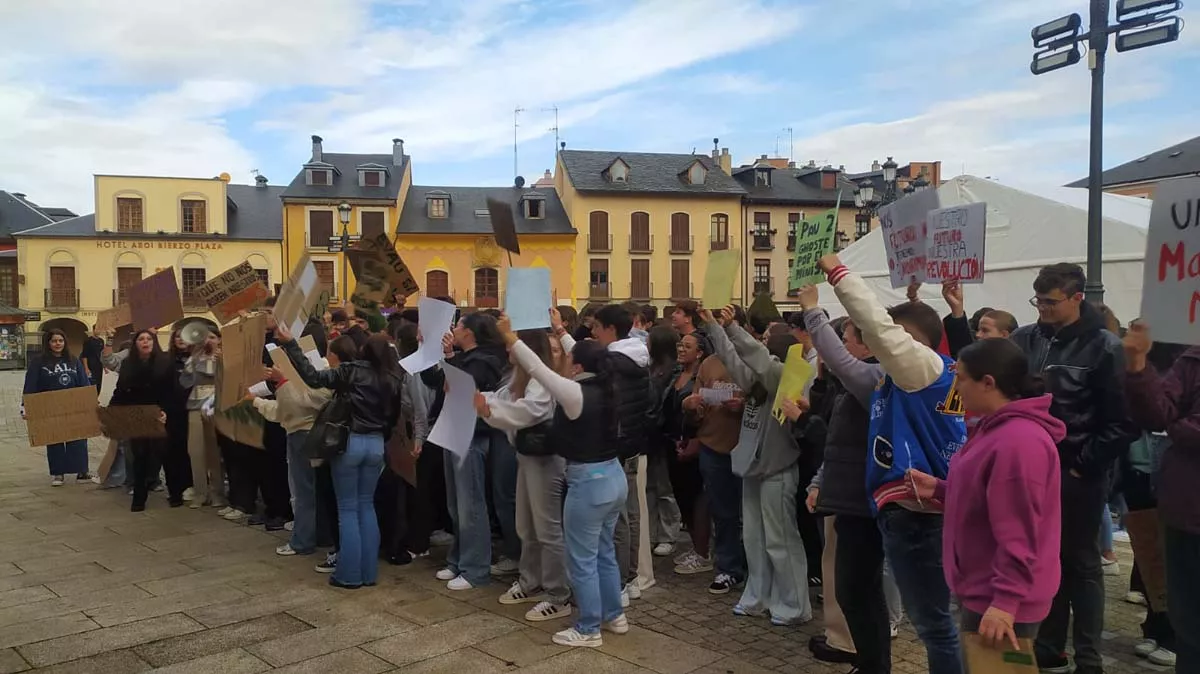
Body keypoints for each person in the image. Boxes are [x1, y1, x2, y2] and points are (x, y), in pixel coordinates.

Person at [818, 253, 967, 674]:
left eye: (894, 338)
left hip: (920, 513)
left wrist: (839, 274)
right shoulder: (920, 373)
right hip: (904, 508)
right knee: (927, 619)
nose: (880, 344)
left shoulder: (921, 369)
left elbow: (879, 326)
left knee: (935, 626)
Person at [1010, 264, 1136, 674]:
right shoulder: (1024, 339)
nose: (1042, 308)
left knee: (1080, 564)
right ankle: (1049, 646)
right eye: (1037, 300)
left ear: (1077, 298)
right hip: (1030, 468)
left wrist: (1082, 466)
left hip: (1075, 472)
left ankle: (1089, 656)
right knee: (1043, 560)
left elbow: (1122, 421)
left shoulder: (1104, 346)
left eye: (1050, 301)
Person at [907, 338, 1065, 651]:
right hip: (985, 589)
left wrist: (1005, 602)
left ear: (988, 383)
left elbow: (1019, 531)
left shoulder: (1018, 442)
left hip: (1002, 600)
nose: (956, 388)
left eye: (962, 379)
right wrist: (940, 489)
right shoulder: (994, 429)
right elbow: (991, 496)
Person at [501, 314, 629, 648]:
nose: (566, 359)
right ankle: (615, 615)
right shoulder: (608, 386)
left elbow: (539, 370)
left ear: (578, 366)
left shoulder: (576, 394)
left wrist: (510, 337)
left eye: (571, 357)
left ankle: (588, 628)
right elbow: (588, 355)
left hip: (589, 484)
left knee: (582, 560)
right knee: (603, 554)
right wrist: (560, 330)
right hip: (614, 478)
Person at [704, 305, 814, 626]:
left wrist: (735, 327)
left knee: (781, 540)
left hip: (778, 468)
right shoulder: (758, 380)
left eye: (767, 339)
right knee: (754, 538)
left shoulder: (784, 376)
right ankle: (758, 597)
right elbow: (732, 359)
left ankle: (794, 606)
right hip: (751, 466)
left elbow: (760, 361)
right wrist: (715, 327)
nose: (762, 342)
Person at [274, 323, 404, 590]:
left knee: (347, 509)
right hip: (376, 444)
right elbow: (393, 417)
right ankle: (369, 573)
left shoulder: (350, 371)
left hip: (350, 442)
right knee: (367, 507)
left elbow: (312, 376)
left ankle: (349, 574)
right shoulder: (393, 378)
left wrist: (290, 343)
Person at [557, 304, 653, 601]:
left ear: (610, 329)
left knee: (618, 523)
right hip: (629, 447)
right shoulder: (631, 356)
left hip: (616, 451)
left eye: (596, 327)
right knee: (628, 516)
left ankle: (621, 584)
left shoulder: (616, 360)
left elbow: (589, 359)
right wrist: (561, 332)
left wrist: (561, 333)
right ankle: (628, 579)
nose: (592, 333)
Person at [1122, 321, 1200, 672]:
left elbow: (1179, 425)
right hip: (1183, 508)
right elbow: (1155, 413)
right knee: (1186, 620)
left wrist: (1177, 425)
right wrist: (1138, 364)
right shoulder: (1192, 358)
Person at [479, 329, 571, 622]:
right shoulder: (519, 378)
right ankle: (531, 580)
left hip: (545, 461)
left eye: (511, 346)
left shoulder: (541, 380)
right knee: (526, 526)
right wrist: (478, 397)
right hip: (527, 457)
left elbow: (531, 411)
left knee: (548, 529)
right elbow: (500, 396)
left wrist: (488, 409)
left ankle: (558, 595)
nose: (507, 351)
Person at [430, 312, 507, 590]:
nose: (454, 329)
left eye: (459, 326)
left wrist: (451, 359)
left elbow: (463, 385)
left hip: (472, 434)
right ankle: (458, 558)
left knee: (470, 502)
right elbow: (439, 384)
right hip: (453, 429)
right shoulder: (467, 358)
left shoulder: (486, 359)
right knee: (455, 503)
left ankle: (476, 567)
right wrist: (447, 355)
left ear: (470, 333)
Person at [108, 329, 187, 510]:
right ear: (135, 343)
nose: (145, 342)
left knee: (165, 455)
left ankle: (175, 494)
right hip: (138, 415)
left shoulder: (165, 362)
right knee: (140, 456)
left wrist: (166, 411)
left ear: (154, 342)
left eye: (148, 339)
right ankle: (139, 498)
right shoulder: (128, 364)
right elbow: (121, 390)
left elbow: (173, 391)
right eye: (141, 339)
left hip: (161, 414)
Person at [22, 329, 92, 485]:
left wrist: (90, 401)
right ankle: (58, 473)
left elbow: (83, 382)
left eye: (60, 341)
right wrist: (26, 406)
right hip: (50, 405)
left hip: (73, 404)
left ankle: (81, 471)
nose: (57, 344)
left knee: (79, 438)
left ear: (64, 342)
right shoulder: (38, 362)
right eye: (54, 341)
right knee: (54, 439)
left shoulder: (73, 360)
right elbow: (31, 385)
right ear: (48, 343)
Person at [646, 326, 684, 557]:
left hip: (664, 435)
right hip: (650, 434)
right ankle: (650, 533)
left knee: (664, 488)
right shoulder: (651, 368)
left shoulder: (673, 371)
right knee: (650, 486)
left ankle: (668, 535)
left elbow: (665, 404)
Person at [179, 330, 225, 509]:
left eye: (213, 338)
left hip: (216, 407)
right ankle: (200, 492)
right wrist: (193, 360)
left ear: (219, 340)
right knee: (196, 451)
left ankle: (217, 493)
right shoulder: (195, 358)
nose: (209, 341)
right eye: (206, 338)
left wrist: (220, 360)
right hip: (196, 407)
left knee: (214, 452)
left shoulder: (223, 358)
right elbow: (185, 382)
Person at [81, 325, 105, 394]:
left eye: (100, 330)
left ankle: (96, 399)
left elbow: (102, 354)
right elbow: (84, 355)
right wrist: (86, 368)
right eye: (97, 329)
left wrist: (105, 366)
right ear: (93, 330)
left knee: (99, 383)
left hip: (99, 366)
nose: (99, 331)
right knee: (92, 383)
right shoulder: (88, 341)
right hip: (90, 366)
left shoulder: (101, 341)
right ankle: (92, 399)